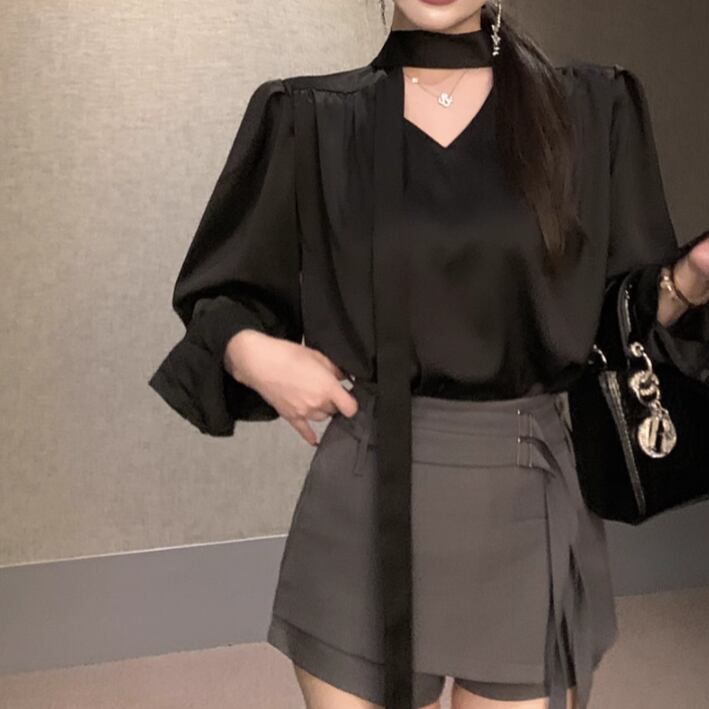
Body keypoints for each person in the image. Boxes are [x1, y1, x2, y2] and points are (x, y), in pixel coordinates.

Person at [147, 1, 709, 708]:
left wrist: (687, 281)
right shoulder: (309, 118)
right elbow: (221, 295)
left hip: (523, 502)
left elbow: (617, 323)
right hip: (362, 500)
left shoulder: (591, 108)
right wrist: (250, 352)